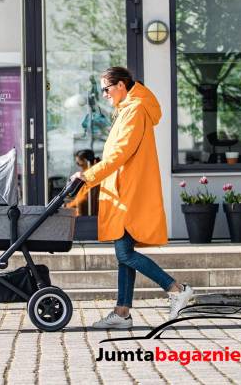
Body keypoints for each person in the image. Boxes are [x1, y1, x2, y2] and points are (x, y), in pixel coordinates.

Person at [71, 66, 194, 329]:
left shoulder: (135, 110)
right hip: (125, 189)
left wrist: (88, 175)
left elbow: (119, 155)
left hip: (129, 192)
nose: (104, 94)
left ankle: (176, 288)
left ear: (121, 86)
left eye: (106, 88)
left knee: (125, 254)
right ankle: (122, 312)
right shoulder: (127, 109)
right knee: (124, 253)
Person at [65, 149, 100, 216]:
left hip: (87, 215)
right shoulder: (95, 172)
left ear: (86, 161)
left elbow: (82, 199)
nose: (78, 165)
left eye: (78, 163)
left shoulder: (90, 176)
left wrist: (67, 206)